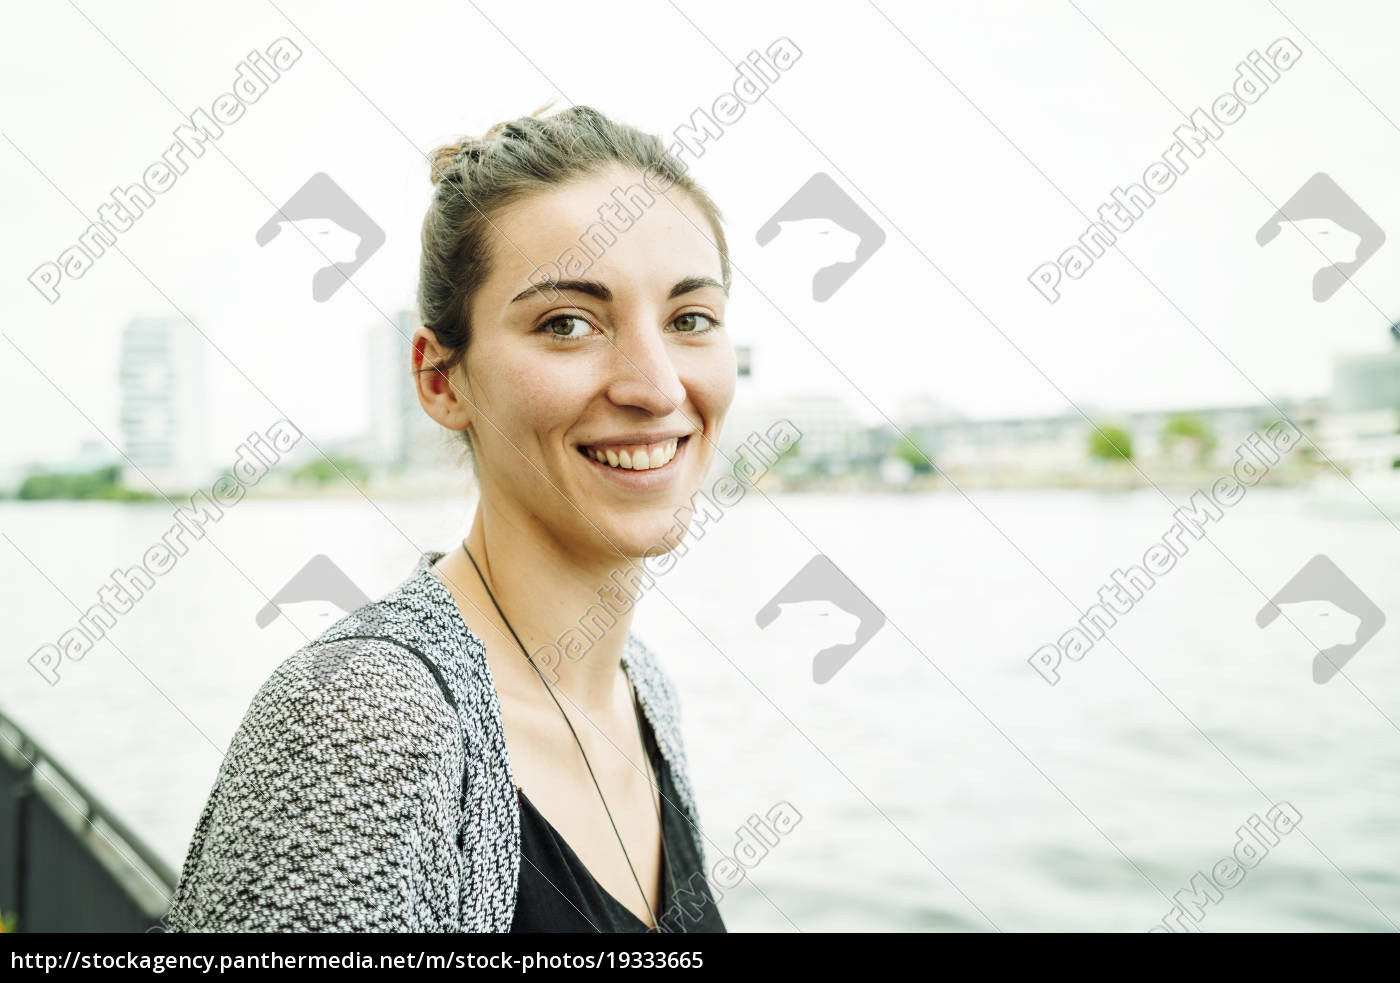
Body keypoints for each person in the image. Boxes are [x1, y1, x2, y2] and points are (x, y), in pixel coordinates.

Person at [165, 104, 734, 933]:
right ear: (440, 379)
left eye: (690, 320)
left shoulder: (642, 691)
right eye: (567, 323)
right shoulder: (361, 725)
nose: (654, 387)